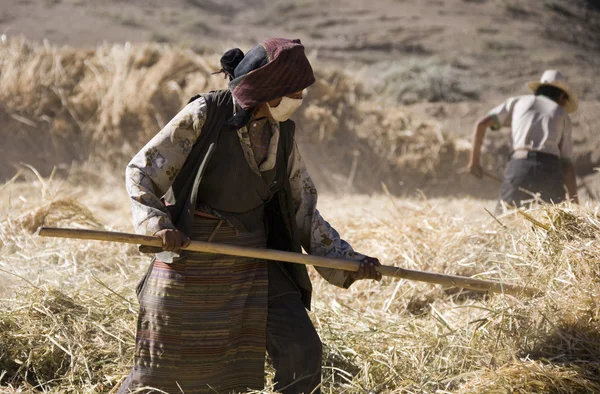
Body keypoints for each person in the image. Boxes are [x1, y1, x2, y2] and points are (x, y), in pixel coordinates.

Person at [118, 38, 382, 394]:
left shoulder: (283, 131)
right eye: (295, 90)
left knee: (302, 349)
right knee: (163, 373)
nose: (300, 98)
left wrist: (347, 259)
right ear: (269, 90)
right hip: (192, 252)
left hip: (253, 259)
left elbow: (303, 205)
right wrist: (158, 226)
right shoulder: (205, 114)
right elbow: (142, 171)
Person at [468, 70, 579, 210]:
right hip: (550, 169)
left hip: (520, 166)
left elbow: (481, 124)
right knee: (556, 224)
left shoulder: (519, 102)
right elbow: (566, 165)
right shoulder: (562, 114)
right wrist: (575, 203)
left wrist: (474, 162)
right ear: (562, 96)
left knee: (504, 221)